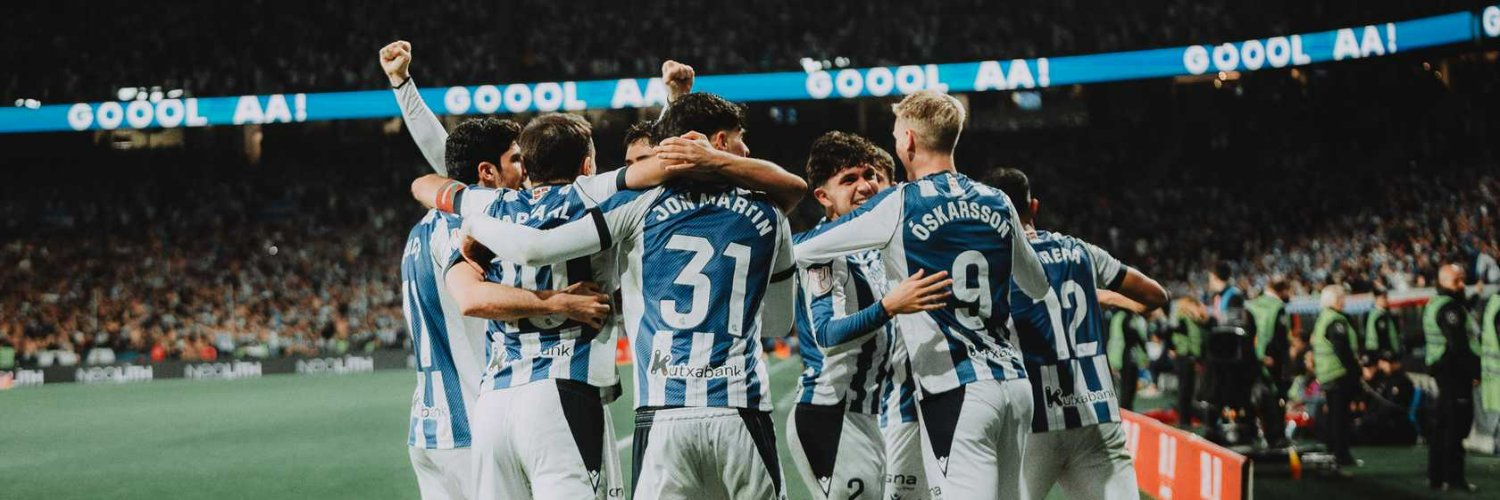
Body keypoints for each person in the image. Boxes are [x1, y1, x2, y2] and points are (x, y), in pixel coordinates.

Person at [458, 92, 805, 499]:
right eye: (740, 138)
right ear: (721, 142)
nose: (747, 149)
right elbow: (779, 323)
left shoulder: (637, 205)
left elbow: (539, 245)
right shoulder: (770, 215)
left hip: (661, 411)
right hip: (741, 408)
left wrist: (475, 223)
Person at [791, 90, 1051, 500]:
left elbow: (799, 251)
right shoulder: (998, 199)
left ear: (908, 140)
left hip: (958, 390)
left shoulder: (898, 203)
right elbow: (1037, 285)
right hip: (1017, 388)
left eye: (895, 135)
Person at [786, 131, 950, 500]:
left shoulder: (873, 249)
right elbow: (826, 334)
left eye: (870, 175)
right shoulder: (822, 253)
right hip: (830, 414)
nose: (866, 186)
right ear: (823, 197)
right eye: (849, 180)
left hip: (867, 415)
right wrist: (888, 306)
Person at [992, 167, 1168, 500]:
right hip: (1096, 414)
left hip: (1034, 423)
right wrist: (1106, 296)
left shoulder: (996, 263)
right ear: (1034, 207)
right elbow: (1155, 296)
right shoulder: (1082, 252)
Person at [1424, 264, 1480, 492]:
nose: (1461, 285)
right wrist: (1473, 372)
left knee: (1443, 424)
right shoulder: (1450, 309)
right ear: (1445, 281)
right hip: (1453, 373)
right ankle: (1454, 479)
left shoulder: (1435, 303)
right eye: (1457, 280)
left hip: (1443, 370)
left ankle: (1436, 476)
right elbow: (1459, 345)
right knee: (1455, 427)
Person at [1311, 284, 1360, 469]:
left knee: (1334, 416)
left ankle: (1333, 451)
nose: (1344, 302)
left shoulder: (1322, 318)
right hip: (1338, 374)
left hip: (1326, 374)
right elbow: (1343, 350)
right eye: (1342, 298)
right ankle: (1341, 454)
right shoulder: (1336, 321)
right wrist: (1355, 371)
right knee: (1341, 417)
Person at [1245, 278, 1292, 447]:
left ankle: (1254, 435)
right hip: (1272, 362)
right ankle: (1276, 437)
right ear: (1282, 289)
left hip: (1252, 362)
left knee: (1255, 399)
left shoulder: (1251, 305)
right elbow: (1280, 341)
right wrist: (1284, 365)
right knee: (1276, 398)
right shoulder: (1277, 308)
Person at [1169, 296, 1207, 428]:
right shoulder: (1181, 319)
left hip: (1189, 357)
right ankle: (1184, 421)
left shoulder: (1190, 320)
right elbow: (1173, 332)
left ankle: (1186, 419)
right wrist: (1173, 348)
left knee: (1188, 390)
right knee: (1185, 389)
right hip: (1185, 357)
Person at [1364, 289, 1402, 356]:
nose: (1386, 300)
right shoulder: (1379, 315)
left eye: (1386, 297)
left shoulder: (1372, 314)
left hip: (1375, 351)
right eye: (1383, 298)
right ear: (1377, 299)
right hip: (1382, 352)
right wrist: (1387, 353)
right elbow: (1383, 337)